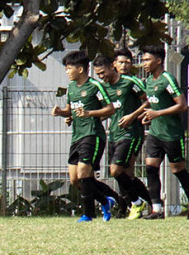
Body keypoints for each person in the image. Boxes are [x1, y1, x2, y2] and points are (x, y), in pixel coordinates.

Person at [51, 50, 116, 222]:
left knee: (83, 173)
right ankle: (105, 201)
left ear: (80, 69)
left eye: (69, 68)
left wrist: (90, 113)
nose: (66, 71)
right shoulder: (71, 88)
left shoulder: (95, 86)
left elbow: (110, 109)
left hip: (92, 135)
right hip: (77, 136)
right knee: (75, 180)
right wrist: (61, 112)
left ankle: (88, 214)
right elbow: (70, 110)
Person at [92, 53, 151, 219]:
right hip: (114, 134)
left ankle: (138, 203)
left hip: (131, 133)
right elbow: (109, 110)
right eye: (98, 75)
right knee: (124, 174)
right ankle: (140, 206)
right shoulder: (104, 88)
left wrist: (133, 116)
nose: (101, 77)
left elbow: (148, 100)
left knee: (117, 170)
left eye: (103, 73)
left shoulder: (129, 82)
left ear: (111, 66)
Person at [140, 44, 189, 220]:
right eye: (143, 60)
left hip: (172, 133)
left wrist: (158, 113)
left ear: (159, 60)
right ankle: (157, 210)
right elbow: (154, 103)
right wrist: (148, 116)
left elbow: (182, 105)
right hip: (155, 133)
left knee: (177, 170)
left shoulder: (167, 79)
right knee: (150, 168)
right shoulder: (149, 81)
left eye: (147, 60)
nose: (144, 63)